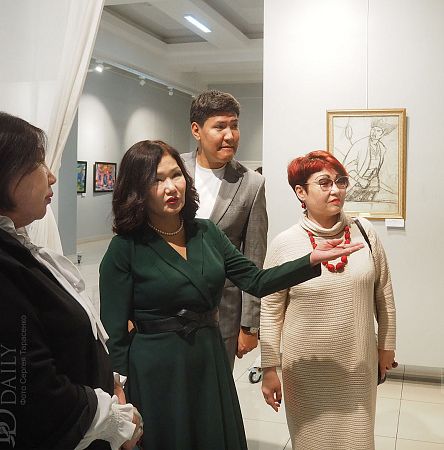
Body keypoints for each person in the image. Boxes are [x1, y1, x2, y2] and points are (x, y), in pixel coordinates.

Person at [99, 141, 363, 449]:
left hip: (208, 356)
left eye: (176, 175)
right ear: (137, 190)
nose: (171, 187)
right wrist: (119, 389)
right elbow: (114, 333)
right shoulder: (125, 248)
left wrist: (310, 260)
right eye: (156, 180)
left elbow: (256, 280)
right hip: (157, 368)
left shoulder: (206, 232)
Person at [0, 111, 142, 450]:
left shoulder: (10, 247)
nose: (51, 176)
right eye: (39, 164)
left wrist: (110, 382)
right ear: (3, 174)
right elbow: (26, 388)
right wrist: (115, 420)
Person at [260, 150, 397, 449]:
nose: (336, 190)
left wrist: (386, 346)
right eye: (324, 183)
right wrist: (269, 368)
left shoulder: (364, 233)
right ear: (301, 192)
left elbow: (383, 293)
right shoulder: (285, 244)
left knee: (358, 440)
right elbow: (270, 309)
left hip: (357, 364)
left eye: (340, 181)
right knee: (312, 441)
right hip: (307, 370)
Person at [182, 89, 267, 369]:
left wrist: (250, 325)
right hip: (167, 308)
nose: (229, 135)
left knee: (216, 387)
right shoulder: (172, 169)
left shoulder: (251, 183)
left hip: (223, 313)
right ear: (197, 130)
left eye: (234, 126)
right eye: (220, 127)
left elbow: (254, 257)